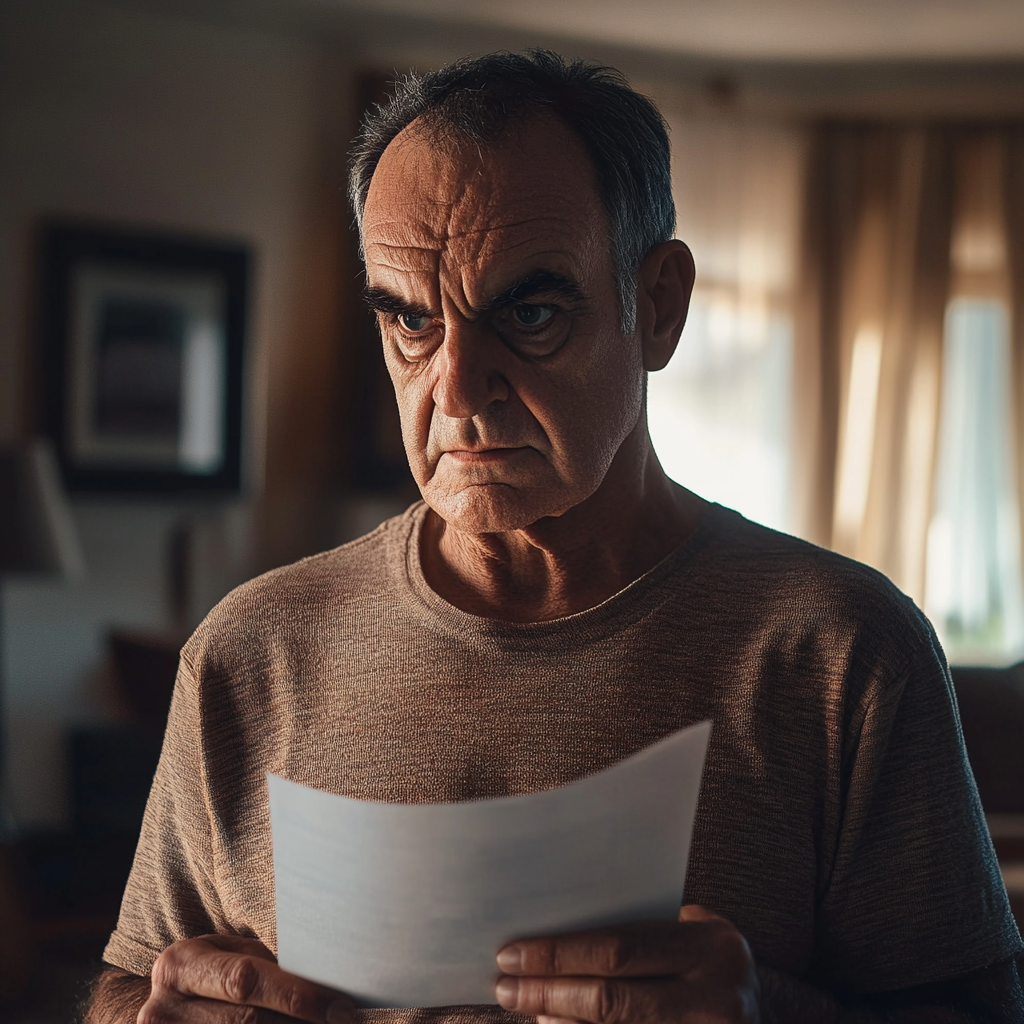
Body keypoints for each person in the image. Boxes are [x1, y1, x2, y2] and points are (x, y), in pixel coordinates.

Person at [85, 51, 1022, 1024]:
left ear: (656, 304)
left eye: (527, 313)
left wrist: (770, 1013)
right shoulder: (250, 650)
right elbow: (130, 983)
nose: (453, 388)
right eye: (409, 321)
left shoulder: (840, 650)